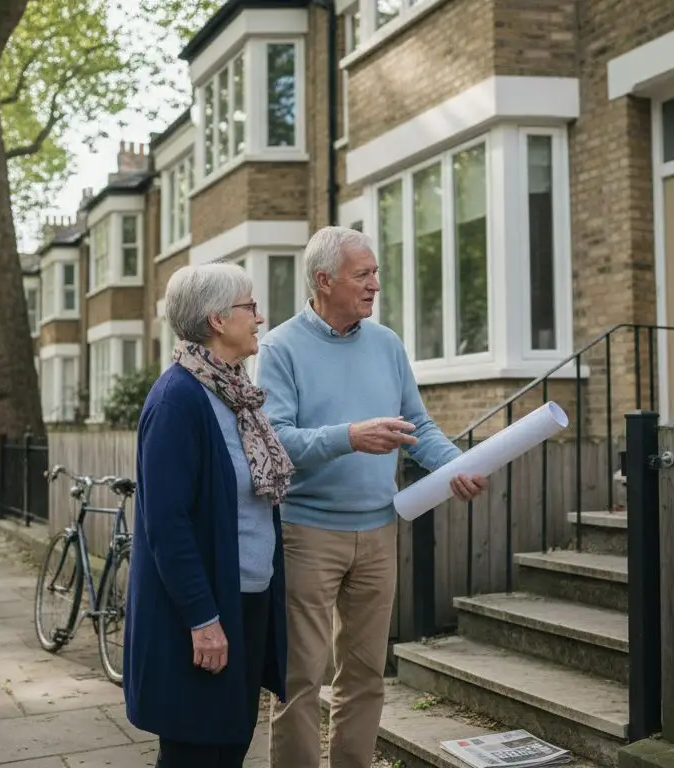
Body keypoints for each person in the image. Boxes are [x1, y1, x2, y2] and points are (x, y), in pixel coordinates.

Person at [258, 226, 488, 767]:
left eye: (375, 273)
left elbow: (419, 426)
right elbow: (275, 441)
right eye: (363, 275)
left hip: (380, 530)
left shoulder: (386, 343)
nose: (375, 285)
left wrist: (458, 466)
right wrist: (350, 437)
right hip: (307, 534)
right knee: (300, 677)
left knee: (364, 674)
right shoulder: (279, 347)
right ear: (323, 280)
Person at [124, 262, 295, 767]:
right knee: (195, 753)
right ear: (217, 319)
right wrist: (203, 619)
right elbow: (167, 524)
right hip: (206, 613)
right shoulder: (178, 399)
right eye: (249, 306)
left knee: (227, 748)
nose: (259, 317)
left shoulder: (235, 394)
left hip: (246, 601)